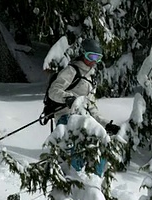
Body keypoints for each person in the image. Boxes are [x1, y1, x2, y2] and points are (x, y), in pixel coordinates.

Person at [47, 38, 120, 174]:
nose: (94, 61)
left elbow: (91, 108)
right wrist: (67, 98)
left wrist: (105, 124)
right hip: (66, 117)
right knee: (79, 146)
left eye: (98, 58)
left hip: (84, 119)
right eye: (91, 56)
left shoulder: (90, 77)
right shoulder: (71, 70)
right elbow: (53, 91)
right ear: (83, 53)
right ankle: (75, 176)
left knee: (100, 142)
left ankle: (95, 180)